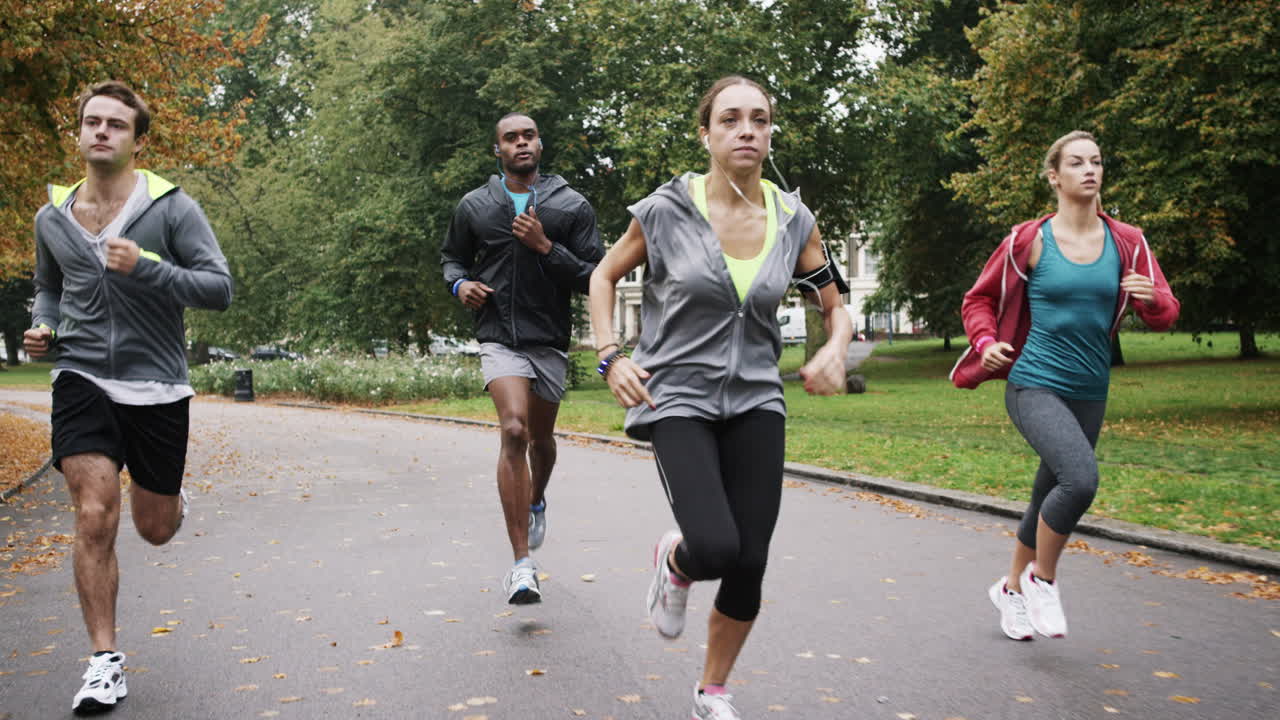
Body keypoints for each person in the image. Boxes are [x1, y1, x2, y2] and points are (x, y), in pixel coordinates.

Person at [588, 75, 852, 719]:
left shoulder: (793, 220)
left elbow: (834, 305)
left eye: (759, 119)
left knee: (750, 559)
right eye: (730, 119)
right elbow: (602, 274)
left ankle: (712, 691)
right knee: (714, 546)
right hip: (676, 395)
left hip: (757, 397)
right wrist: (610, 355)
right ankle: (677, 562)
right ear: (705, 134)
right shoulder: (665, 210)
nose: (746, 131)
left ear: (770, 133)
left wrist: (836, 347)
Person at [24, 80, 233, 713]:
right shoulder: (52, 218)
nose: (102, 131)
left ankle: (169, 501)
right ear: (79, 133)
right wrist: (44, 326)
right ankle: (104, 662)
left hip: (157, 382)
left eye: (116, 124)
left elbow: (218, 288)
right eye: (93, 121)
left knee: (154, 529)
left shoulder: (171, 209)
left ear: (138, 142)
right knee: (94, 514)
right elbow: (48, 287)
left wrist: (147, 266)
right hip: (81, 375)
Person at [951, 130, 1179, 641]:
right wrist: (985, 341)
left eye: (1096, 161)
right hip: (1033, 382)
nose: (1089, 170)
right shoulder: (1029, 240)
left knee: (1047, 495)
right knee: (1079, 480)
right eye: (1076, 162)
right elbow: (978, 299)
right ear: (1054, 176)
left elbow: (1166, 312)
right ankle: (1043, 580)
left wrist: (1151, 299)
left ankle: (1011, 589)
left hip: (1090, 388)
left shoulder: (1128, 242)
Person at [441, 113, 603, 604]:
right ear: (498, 150)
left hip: (548, 339)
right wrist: (460, 284)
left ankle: (535, 500)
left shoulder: (571, 205)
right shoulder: (475, 206)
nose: (521, 143)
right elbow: (452, 258)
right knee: (514, 430)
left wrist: (545, 246)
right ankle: (522, 566)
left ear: (540, 143)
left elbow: (594, 276)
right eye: (510, 138)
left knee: (541, 440)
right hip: (498, 337)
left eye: (528, 135)